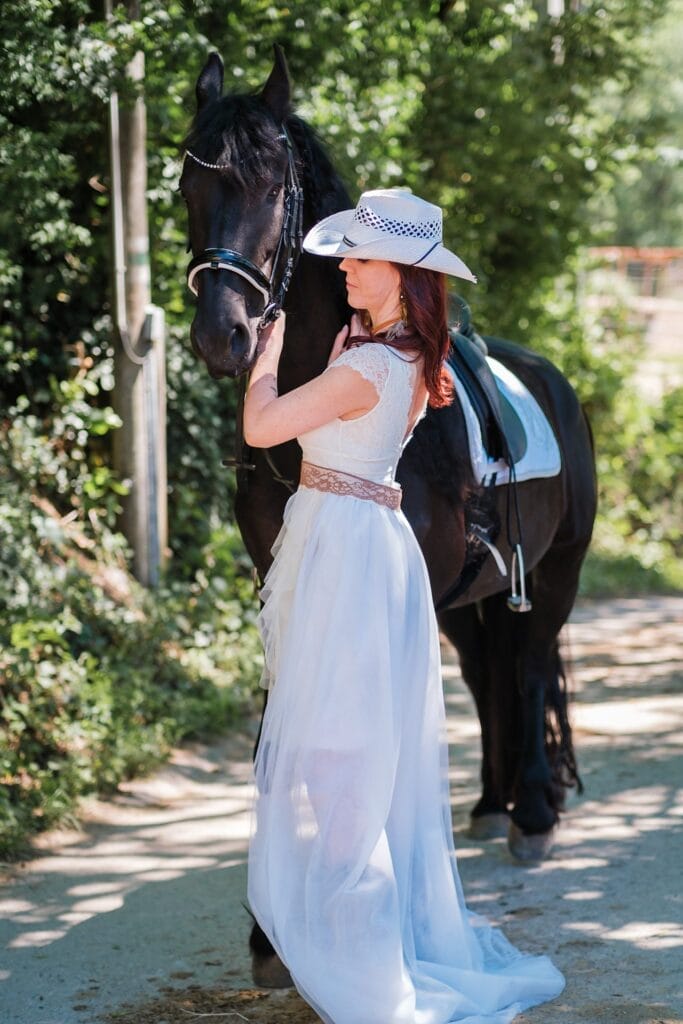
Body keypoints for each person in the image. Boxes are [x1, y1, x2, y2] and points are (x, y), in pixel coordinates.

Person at [244, 188, 564, 1024]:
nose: (342, 266)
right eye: (343, 253)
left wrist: (266, 354)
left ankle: (370, 974)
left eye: (359, 256)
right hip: (348, 537)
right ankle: (365, 943)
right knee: (339, 757)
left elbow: (262, 429)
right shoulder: (397, 351)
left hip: (346, 552)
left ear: (403, 274)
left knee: (338, 762)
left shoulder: (367, 367)